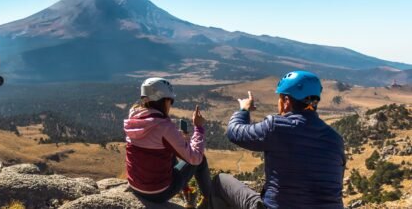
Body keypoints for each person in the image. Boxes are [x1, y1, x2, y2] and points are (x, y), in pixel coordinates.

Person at [213, 71, 345, 209]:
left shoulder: (276, 127)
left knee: (221, 181)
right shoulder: (336, 140)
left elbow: (234, 132)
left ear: (286, 101)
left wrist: (243, 110)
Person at [124, 78, 212, 208]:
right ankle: (208, 201)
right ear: (165, 100)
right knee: (201, 159)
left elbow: (153, 143)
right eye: (171, 101)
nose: (170, 105)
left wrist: (179, 139)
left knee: (170, 153)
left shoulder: (134, 118)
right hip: (158, 193)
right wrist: (198, 128)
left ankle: (187, 193)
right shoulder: (164, 127)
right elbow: (195, 158)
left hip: (135, 186)